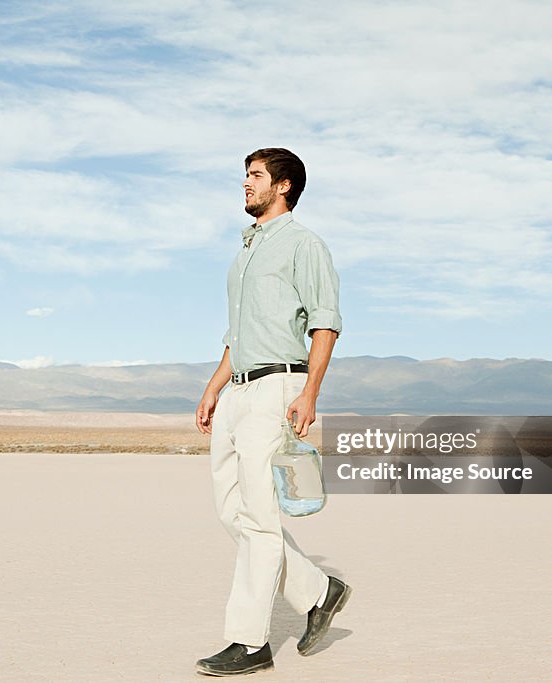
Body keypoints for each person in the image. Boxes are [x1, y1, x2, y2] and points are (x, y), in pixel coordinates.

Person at [194, 148, 351, 676]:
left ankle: (249, 641)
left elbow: (325, 323)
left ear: (283, 186)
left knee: (261, 517)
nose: (245, 184)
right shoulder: (246, 250)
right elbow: (237, 333)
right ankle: (318, 590)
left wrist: (310, 392)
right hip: (239, 391)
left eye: (255, 176)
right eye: (246, 175)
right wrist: (215, 385)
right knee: (231, 511)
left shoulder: (304, 245)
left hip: (279, 386)